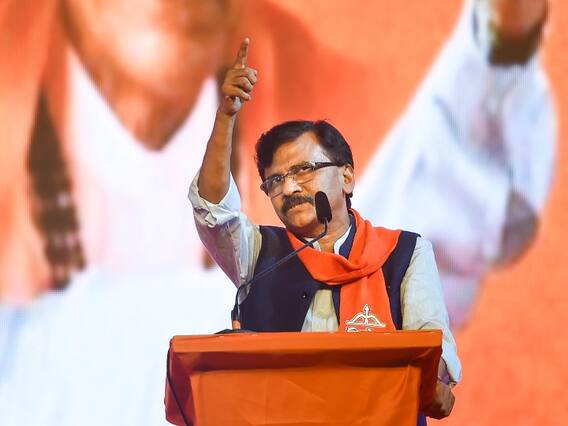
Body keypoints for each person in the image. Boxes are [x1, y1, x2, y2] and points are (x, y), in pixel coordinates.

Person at [189, 38, 461, 420]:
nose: (288, 188)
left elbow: (432, 346)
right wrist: (225, 118)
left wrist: (436, 381)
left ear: (346, 177)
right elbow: (213, 209)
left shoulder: (403, 254)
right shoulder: (259, 255)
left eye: (303, 170)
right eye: (274, 181)